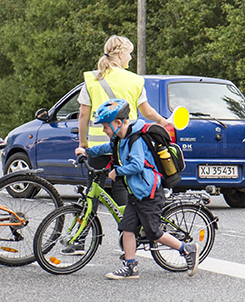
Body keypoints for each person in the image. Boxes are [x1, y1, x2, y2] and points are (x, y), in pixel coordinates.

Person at [75, 100, 199, 279]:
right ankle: (130, 267)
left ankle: (187, 249)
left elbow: (137, 165)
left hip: (149, 193)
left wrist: (117, 171)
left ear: (118, 123)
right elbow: (105, 148)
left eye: (105, 126)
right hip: (135, 193)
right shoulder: (120, 140)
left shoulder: (136, 140)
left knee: (153, 232)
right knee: (127, 228)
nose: (104, 130)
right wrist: (87, 152)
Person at [74, 35, 171, 242]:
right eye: (129, 53)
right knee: (124, 192)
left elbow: (83, 114)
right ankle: (132, 234)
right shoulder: (135, 81)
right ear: (120, 54)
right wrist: (163, 122)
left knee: (93, 191)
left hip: (98, 146)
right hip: (126, 146)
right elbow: (148, 112)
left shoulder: (92, 79)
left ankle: (80, 239)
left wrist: (83, 144)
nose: (131, 57)